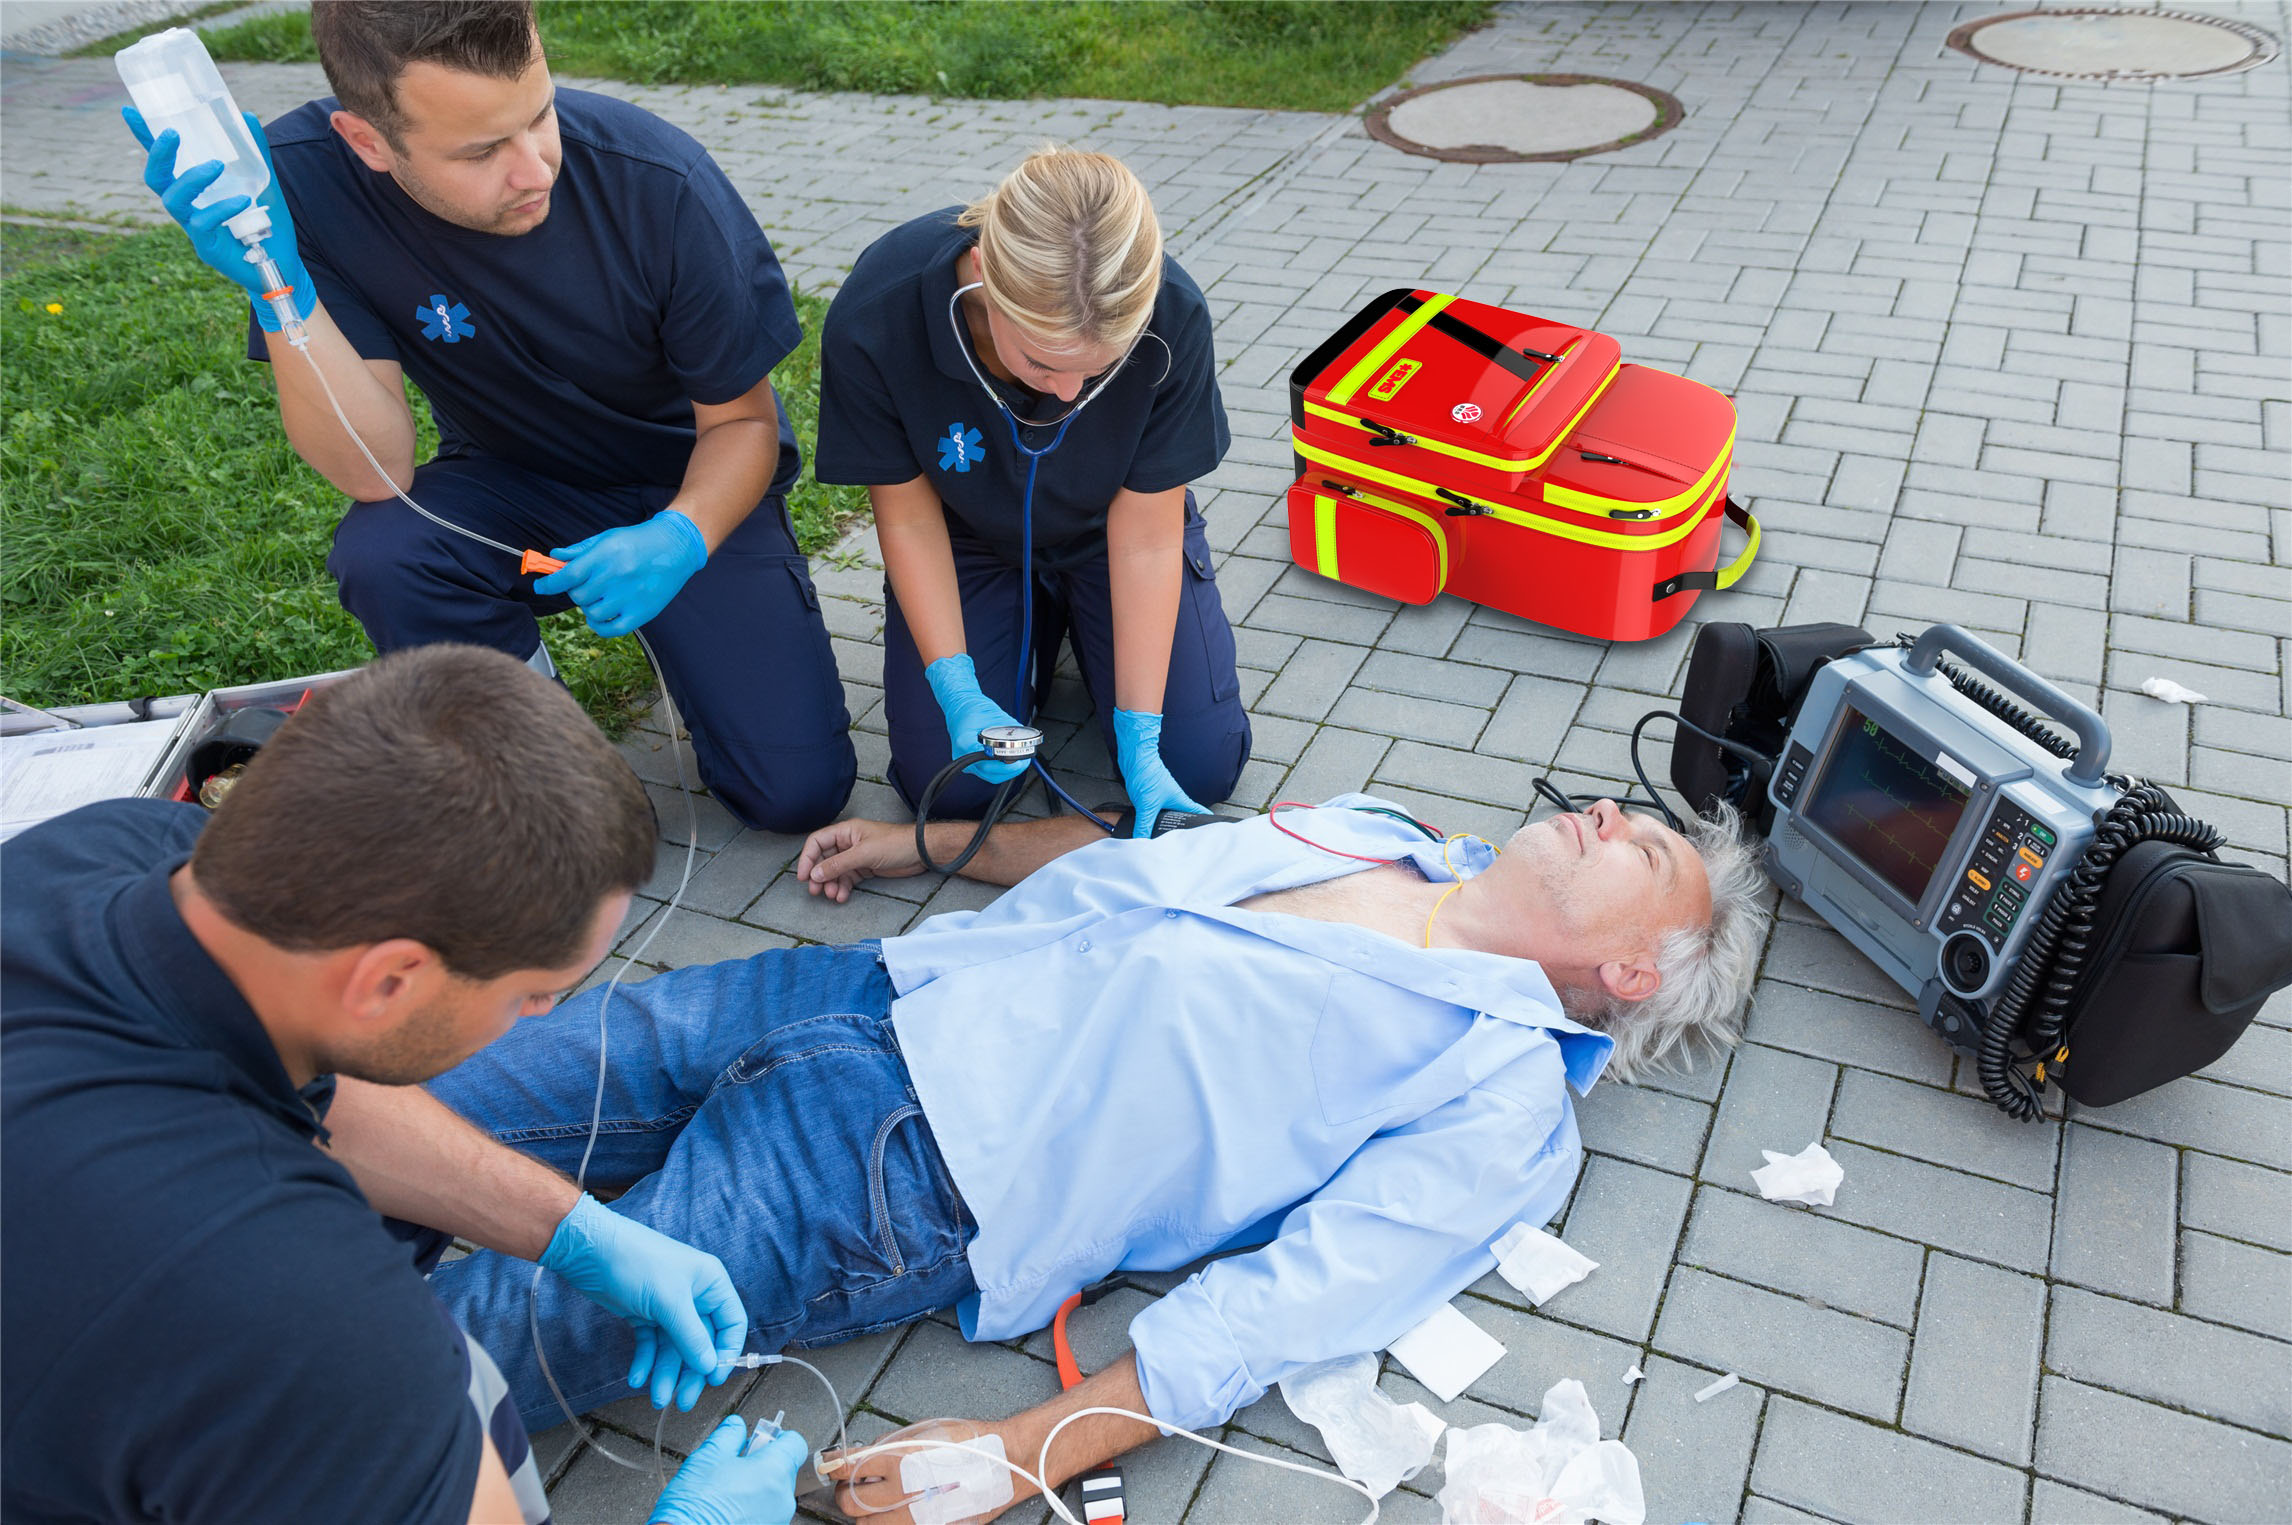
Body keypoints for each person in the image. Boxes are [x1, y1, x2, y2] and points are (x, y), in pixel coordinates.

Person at [420, 792, 1768, 1517]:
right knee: (416, 1092)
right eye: (1622, 806)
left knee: (444, 1353)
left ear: (1633, 967)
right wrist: (924, 843)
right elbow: (1132, 867)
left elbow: (1289, 1303)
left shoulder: (1503, 1100)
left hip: (900, 1175)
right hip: (866, 987)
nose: (1606, 807)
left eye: (1642, 844)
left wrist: (1024, 1452)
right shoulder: (1382, 830)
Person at [0, 647, 806, 1525]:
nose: (542, 1013)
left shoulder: (118, 849)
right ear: (389, 979)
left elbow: (319, 1087)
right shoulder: (312, 1326)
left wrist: (575, 1230)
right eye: (532, 988)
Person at [122, 0, 854, 833]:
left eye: (539, 115)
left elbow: (745, 426)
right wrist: (275, 283)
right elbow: (374, 469)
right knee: (388, 548)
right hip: (512, 479)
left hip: (690, 485)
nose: (536, 168)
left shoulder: (655, 182)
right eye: (481, 151)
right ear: (367, 142)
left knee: (794, 795)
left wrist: (681, 536)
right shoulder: (297, 187)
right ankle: (543, 767)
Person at [815, 148, 1251, 836]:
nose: (1070, 393)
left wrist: (1140, 734)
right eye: (1043, 362)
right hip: (963, 535)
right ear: (985, 276)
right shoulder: (880, 313)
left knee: (1195, 768)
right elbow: (907, 523)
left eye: (1098, 369)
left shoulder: (1172, 312)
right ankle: (1040, 622)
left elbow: (1145, 535)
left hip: (1112, 537)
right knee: (951, 787)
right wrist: (957, 689)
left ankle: (1072, 620)